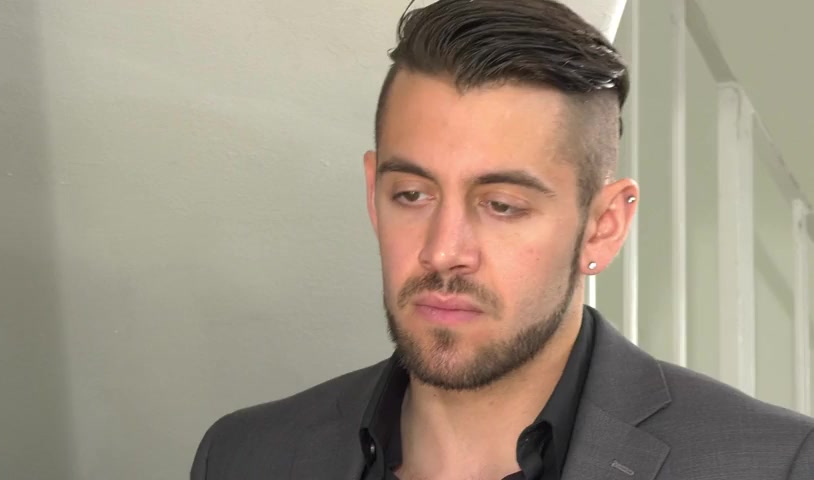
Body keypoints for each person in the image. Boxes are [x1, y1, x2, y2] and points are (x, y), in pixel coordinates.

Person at [190, 0, 814, 478]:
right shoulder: (245, 456)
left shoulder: (774, 463)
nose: (443, 251)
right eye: (412, 195)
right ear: (373, 195)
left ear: (603, 228)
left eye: (502, 205)